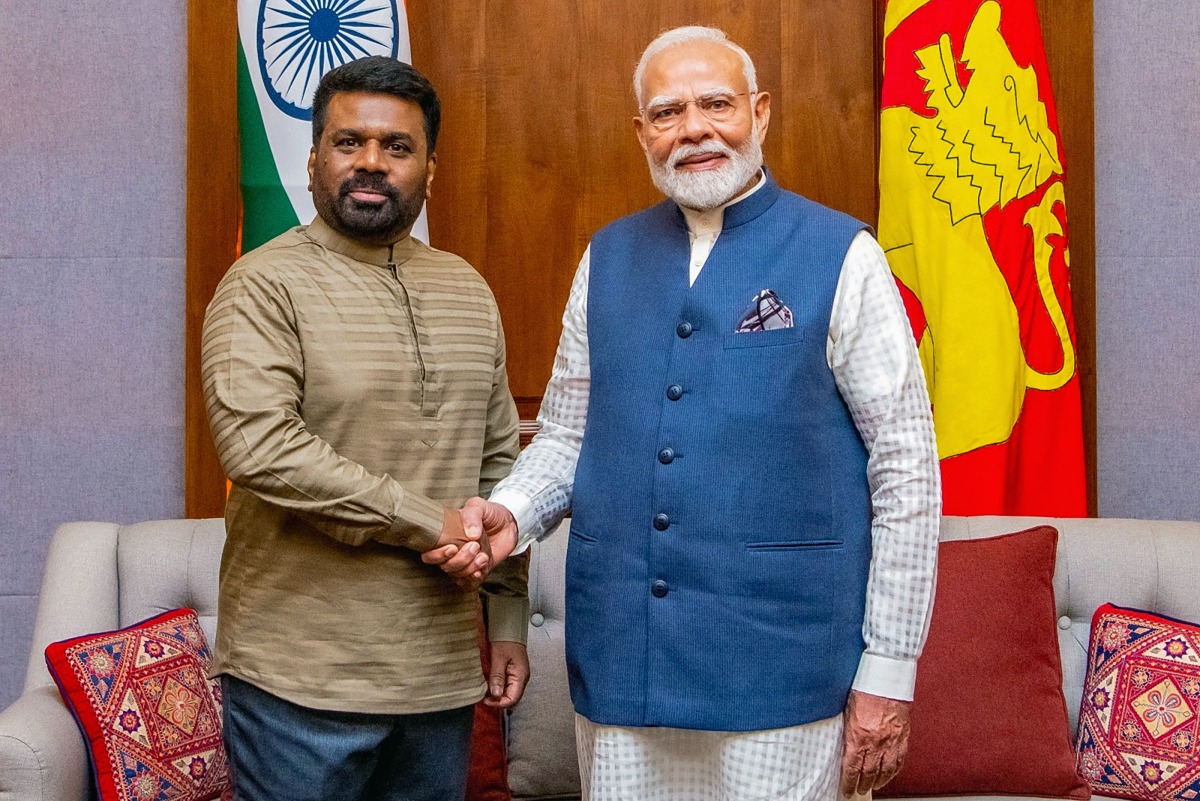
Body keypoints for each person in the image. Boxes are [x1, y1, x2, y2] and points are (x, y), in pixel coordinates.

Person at [427, 25, 941, 801]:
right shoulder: (606, 255)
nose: (693, 128)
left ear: (760, 114)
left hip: (787, 670)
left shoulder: (843, 255)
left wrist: (889, 669)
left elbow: (907, 472)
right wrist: (511, 512)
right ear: (642, 133)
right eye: (667, 113)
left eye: (716, 104)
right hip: (623, 663)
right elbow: (566, 433)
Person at [201, 56, 529, 801]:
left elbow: (499, 463)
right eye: (349, 143)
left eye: (398, 147)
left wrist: (506, 616)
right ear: (314, 160)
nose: (372, 163)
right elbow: (261, 448)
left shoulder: (467, 288)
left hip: (441, 679)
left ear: (430, 168)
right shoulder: (261, 283)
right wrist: (428, 521)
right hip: (299, 686)